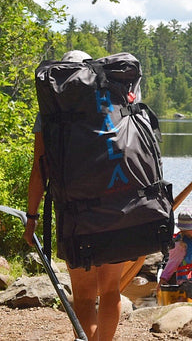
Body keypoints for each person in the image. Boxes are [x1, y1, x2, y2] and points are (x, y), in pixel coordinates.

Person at [23, 50, 124, 341]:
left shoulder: (51, 110)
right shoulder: (113, 101)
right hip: (118, 206)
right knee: (110, 290)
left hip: (76, 213)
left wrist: (31, 220)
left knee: (82, 295)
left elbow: (39, 172)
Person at [158, 208, 192, 308]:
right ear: (183, 229)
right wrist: (163, 279)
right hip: (187, 281)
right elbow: (172, 263)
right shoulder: (180, 245)